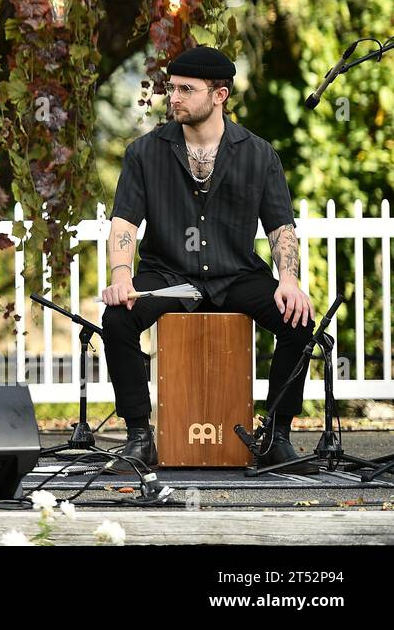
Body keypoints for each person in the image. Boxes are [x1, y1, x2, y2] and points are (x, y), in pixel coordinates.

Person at [101, 46, 317, 473]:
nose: (173, 97)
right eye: (171, 88)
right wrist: (122, 275)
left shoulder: (259, 154)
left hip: (235, 276)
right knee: (117, 318)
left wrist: (288, 281)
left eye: (186, 89)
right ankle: (140, 438)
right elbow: (124, 224)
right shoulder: (144, 153)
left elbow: (281, 229)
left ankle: (276, 436)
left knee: (299, 321)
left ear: (219, 95)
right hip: (169, 276)